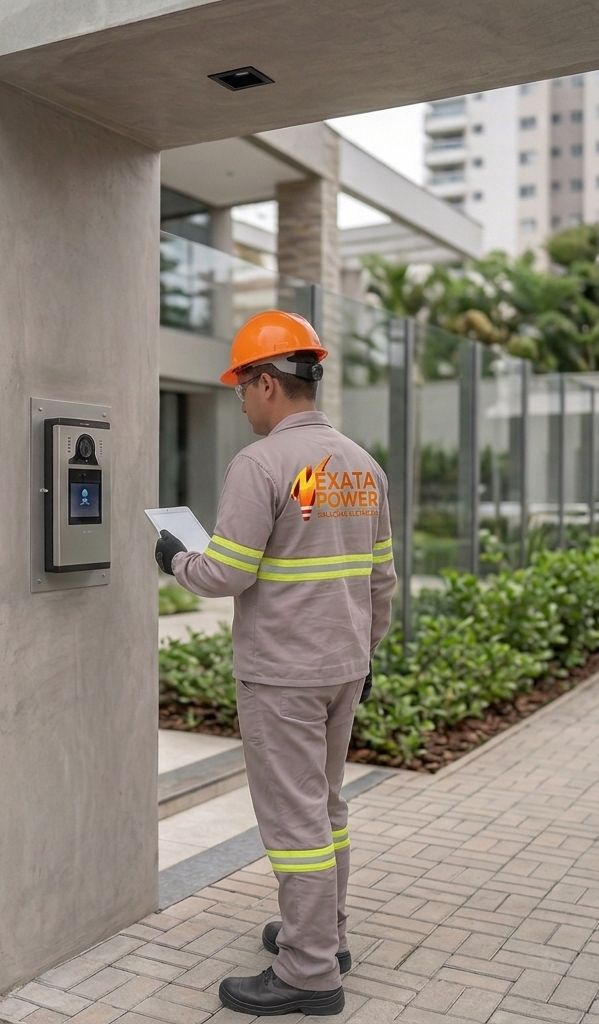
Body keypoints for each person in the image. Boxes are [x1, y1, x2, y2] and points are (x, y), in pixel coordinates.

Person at [154, 310, 396, 1016]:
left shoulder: (261, 464)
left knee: (294, 826)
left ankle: (310, 972)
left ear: (267, 382)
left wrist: (173, 556)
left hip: (284, 675)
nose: (240, 401)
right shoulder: (361, 463)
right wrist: (366, 652)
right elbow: (382, 579)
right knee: (325, 808)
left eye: (241, 388)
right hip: (344, 668)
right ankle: (324, 935)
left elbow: (224, 573)